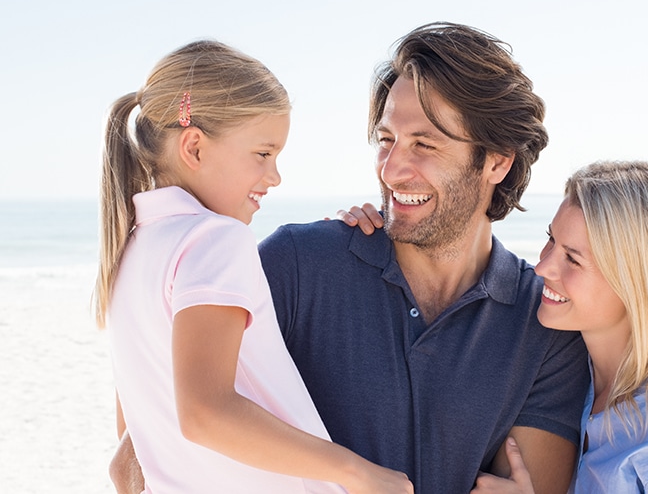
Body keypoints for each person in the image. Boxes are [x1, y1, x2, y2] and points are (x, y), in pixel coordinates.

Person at [109, 23, 589, 494]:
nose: (393, 168)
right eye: (386, 141)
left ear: (497, 162)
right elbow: (156, 393)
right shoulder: (296, 264)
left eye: (424, 144)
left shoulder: (543, 324)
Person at [95, 40, 412, 493]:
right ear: (194, 147)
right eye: (263, 154)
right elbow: (205, 413)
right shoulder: (215, 239)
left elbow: (127, 457)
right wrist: (357, 472)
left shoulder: (129, 252)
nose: (275, 176)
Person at [469, 161, 648, 493]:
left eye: (572, 259)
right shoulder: (570, 371)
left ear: (637, 283)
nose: (542, 267)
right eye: (550, 239)